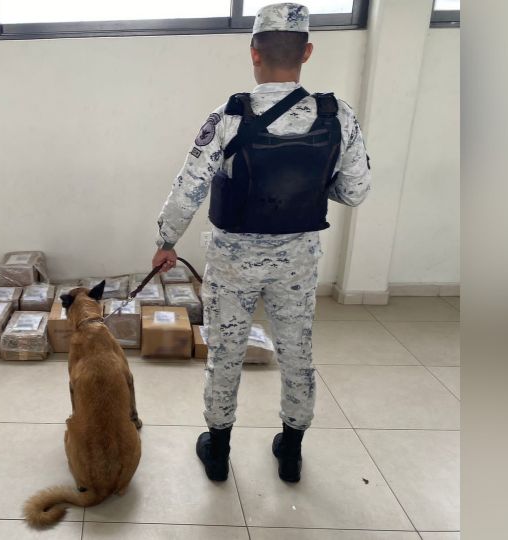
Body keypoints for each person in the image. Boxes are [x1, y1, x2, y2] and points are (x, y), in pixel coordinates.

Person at [151, 2, 371, 483]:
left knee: (225, 351)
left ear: (254, 52)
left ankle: (218, 450)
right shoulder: (338, 116)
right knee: (297, 350)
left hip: (233, 262)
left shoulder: (228, 116)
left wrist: (167, 241)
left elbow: (187, 187)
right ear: (307, 52)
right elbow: (355, 191)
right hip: (298, 261)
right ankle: (290, 451)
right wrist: (315, 187)